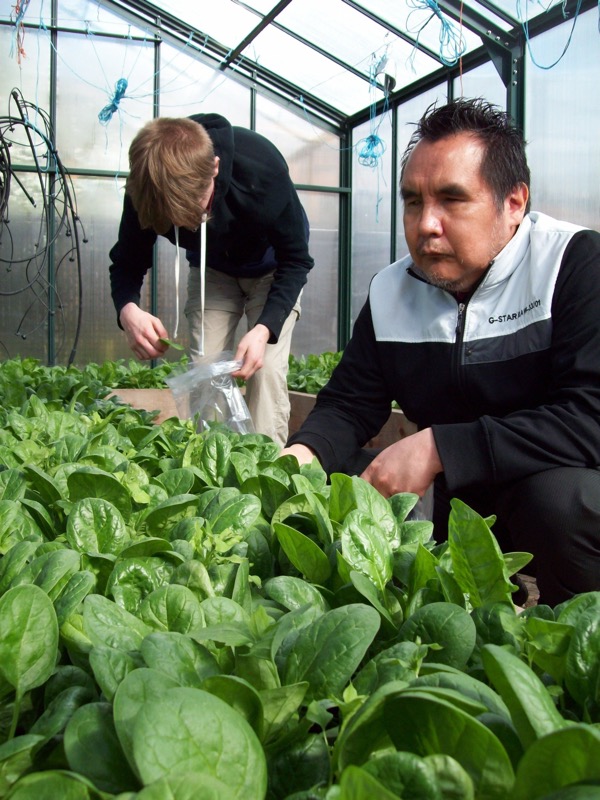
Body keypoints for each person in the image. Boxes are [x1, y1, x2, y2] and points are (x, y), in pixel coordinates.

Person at [282, 97, 600, 607]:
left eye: (452, 200)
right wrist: (300, 455)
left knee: (562, 503)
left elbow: (591, 417)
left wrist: (438, 447)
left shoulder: (572, 265)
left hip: (544, 498)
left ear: (514, 203)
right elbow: (348, 403)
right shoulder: (393, 290)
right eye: (413, 201)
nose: (427, 224)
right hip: (452, 500)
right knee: (341, 483)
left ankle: (577, 638)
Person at [109, 113, 314, 447]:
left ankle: (267, 475)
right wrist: (128, 309)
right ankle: (214, 473)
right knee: (205, 369)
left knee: (265, 372)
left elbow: (296, 260)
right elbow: (127, 261)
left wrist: (263, 329)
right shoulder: (147, 187)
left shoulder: (262, 171)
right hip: (212, 271)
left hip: (272, 268)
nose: (187, 226)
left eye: (194, 212)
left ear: (215, 168)